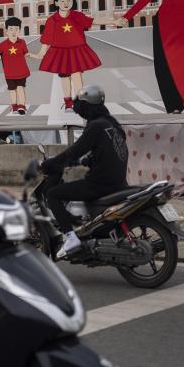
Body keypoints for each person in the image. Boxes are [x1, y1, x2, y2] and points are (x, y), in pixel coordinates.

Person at [42, 85, 129, 258]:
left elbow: (73, 151)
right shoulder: (112, 124)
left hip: (100, 184)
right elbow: (105, 152)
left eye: (81, 105)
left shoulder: (95, 126)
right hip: (118, 182)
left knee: (53, 194)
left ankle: (71, 237)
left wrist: (51, 164)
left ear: (88, 106)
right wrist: (84, 161)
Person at [35, 0, 116, 112]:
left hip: (76, 50)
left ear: (73, 1)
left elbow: (93, 21)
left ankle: (79, 102)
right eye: (62, 0)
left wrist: (113, 21)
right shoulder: (52, 20)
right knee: (65, 77)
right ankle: (68, 103)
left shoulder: (77, 16)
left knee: (77, 76)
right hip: (60, 51)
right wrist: (42, 52)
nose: (66, 2)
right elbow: (47, 38)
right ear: (56, 3)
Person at [0, 17, 38, 115]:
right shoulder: (3, 45)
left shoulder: (22, 42)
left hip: (22, 72)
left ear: (19, 31)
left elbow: (27, 54)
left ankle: (22, 106)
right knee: (12, 90)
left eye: (16, 29)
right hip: (9, 74)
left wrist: (38, 56)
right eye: (11, 29)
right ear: (6, 31)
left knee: (21, 88)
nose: (14, 31)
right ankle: (14, 107)